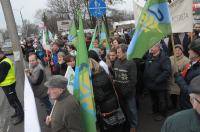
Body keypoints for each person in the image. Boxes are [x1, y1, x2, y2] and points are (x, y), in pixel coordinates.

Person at [89, 58, 124, 132]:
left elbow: (100, 97)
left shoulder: (94, 80)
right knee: (117, 123)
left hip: (105, 106)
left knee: (110, 126)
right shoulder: (103, 72)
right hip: (113, 101)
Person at [143, 43, 171, 121]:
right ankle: (155, 110)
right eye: (150, 46)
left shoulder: (164, 58)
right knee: (153, 99)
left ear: (158, 47)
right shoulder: (149, 56)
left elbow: (167, 71)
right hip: (150, 84)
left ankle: (163, 114)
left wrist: (157, 80)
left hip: (159, 84)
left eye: (153, 46)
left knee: (162, 100)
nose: (151, 48)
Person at [114, 44, 138, 132]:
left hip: (129, 92)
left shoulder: (131, 63)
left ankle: (133, 125)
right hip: (119, 92)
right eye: (117, 52)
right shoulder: (116, 61)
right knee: (124, 110)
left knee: (132, 109)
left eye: (119, 52)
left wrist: (126, 91)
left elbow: (133, 81)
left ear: (125, 52)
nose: (117, 54)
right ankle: (126, 124)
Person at [175, 38, 200, 110]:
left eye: (190, 50)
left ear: (197, 52)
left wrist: (179, 78)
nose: (188, 51)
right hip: (185, 101)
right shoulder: (192, 62)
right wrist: (180, 74)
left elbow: (191, 92)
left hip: (191, 106)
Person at [0, 50, 24, 125]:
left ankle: (21, 116)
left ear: (2, 54)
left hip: (8, 85)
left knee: (14, 100)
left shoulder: (4, 63)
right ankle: (17, 112)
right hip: (7, 84)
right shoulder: (4, 61)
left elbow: (2, 77)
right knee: (12, 100)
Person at [169, 44, 189, 109]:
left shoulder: (186, 60)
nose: (177, 51)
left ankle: (180, 105)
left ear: (182, 51)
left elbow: (187, 71)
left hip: (180, 81)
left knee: (180, 94)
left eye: (179, 50)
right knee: (172, 94)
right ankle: (173, 105)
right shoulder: (170, 58)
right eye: (175, 50)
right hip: (171, 80)